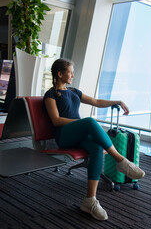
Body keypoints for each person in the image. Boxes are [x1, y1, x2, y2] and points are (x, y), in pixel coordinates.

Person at [43, 58, 145, 221]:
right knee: (89, 121)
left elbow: (96, 101)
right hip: (64, 136)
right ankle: (121, 160)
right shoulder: (50, 95)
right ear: (60, 73)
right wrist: (81, 123)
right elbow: (56, 120)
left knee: (97, 148)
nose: (72, 75)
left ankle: (90, 200)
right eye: (70, 72)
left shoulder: (74, 92)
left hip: (80, 134)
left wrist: (117, 101)